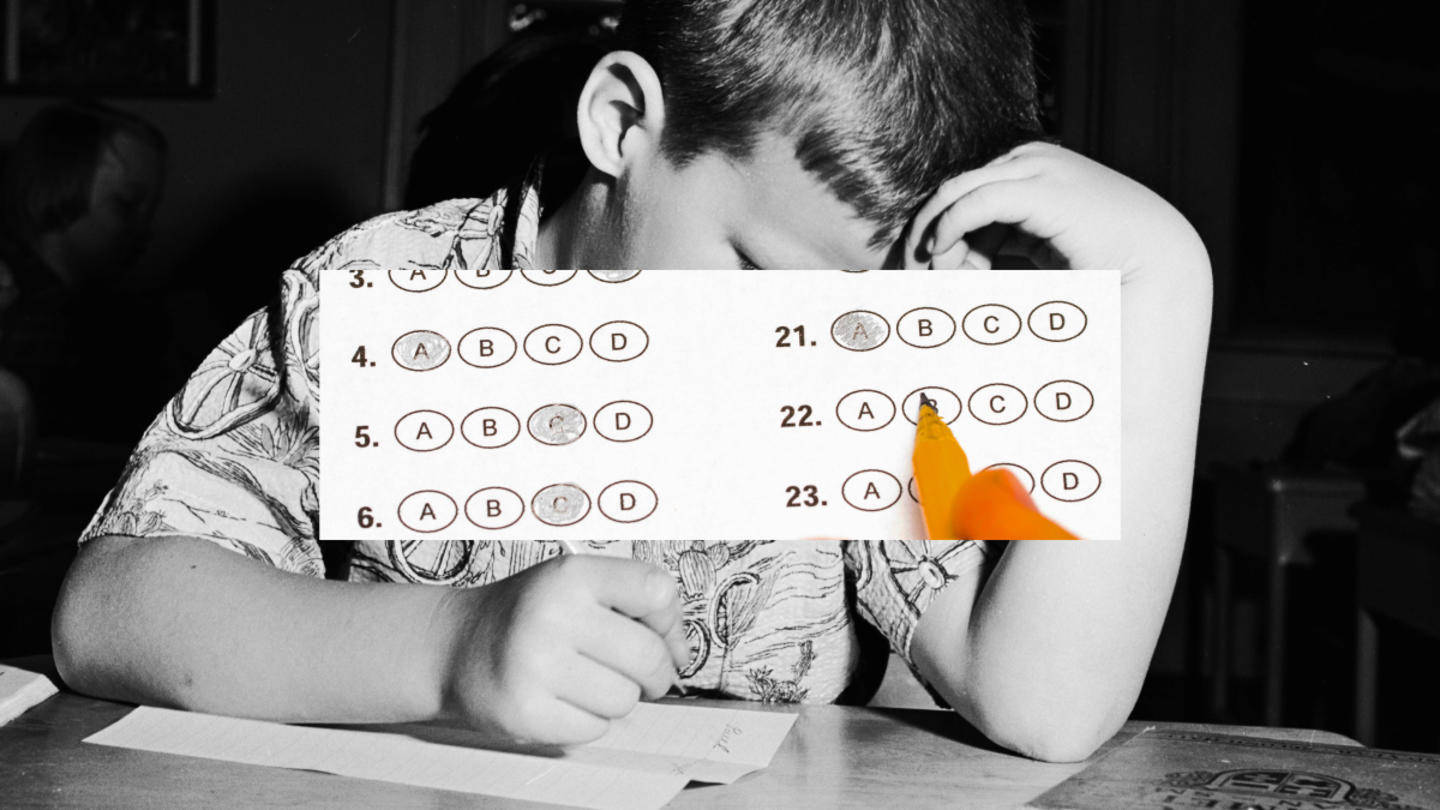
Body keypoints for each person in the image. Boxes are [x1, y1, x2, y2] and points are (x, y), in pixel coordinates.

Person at [51, 0, 1212, 763]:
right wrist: (447, 647)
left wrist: (1166, 285)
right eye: (757, 270)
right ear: (620, 124)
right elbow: (108, 609)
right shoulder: (401, 301)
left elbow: (1046, 701)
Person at [0, 99, 169, 443]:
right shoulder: (36, 317)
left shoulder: (97, 311)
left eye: (150, 210)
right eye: (125, 206)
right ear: (57, 187)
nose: (145, 229)